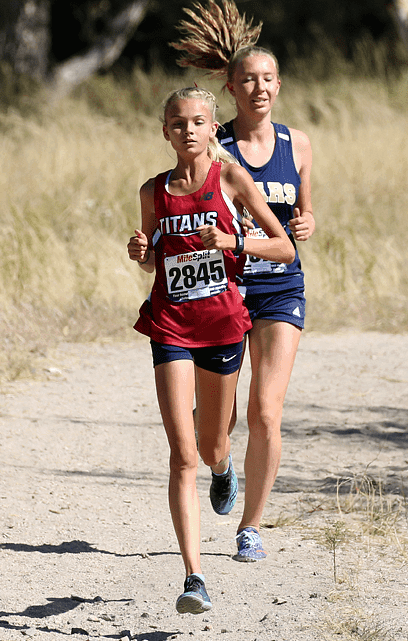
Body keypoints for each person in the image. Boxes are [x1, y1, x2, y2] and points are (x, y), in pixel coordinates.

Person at [126, 86, 294, 614]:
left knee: (212, 443)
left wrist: (234, 244)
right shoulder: (153, 191)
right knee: (181, 455)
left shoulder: (232, 179)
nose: (189, 131)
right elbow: (154, 259)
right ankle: (194, 576)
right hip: (170, 324)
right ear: (165, 131)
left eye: (199, 122)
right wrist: (141, 254)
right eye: (178, 123)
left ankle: (224, 470)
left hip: (221, 325)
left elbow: (284, 247)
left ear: (212, 128)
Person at [171, 1, 316, 563]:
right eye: (248, 81)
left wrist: (307, 220)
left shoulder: (298, 143)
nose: (259, 89)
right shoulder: (215, 147)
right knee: (216, 430)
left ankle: (251, 527)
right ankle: (222, 466)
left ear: (279, 86)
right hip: (225, 291)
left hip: (281, 285)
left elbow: (302, 215)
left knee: (266, 411)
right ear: (230, 88)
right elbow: (183, 202)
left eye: (268, 80)